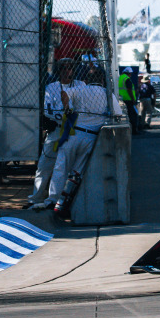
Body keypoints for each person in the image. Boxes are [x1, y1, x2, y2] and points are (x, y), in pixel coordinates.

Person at [50, 68, 114, 216]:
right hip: (91, 136)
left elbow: (64, 93)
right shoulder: (106, 93)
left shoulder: (80, 89)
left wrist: (67, 108)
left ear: (87, 79)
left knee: (61, 166)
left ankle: (52, 201)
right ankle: (65, 203)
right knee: (77, 172)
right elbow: (117, 113)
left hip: (74, 133)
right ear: (103, 80)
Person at [26, 58, 85, 210]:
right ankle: (35, 198)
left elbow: (79, 108)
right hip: (57, 129)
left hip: (73, 129)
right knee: (44, 165)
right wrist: (64, 112)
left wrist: (66, 111)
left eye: (69, 68)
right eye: (63, 68)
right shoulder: (51, 87)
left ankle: (62, 199)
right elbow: (49, 110)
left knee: (67, 166)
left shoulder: (80, 85)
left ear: (73, 70)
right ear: (59, 71)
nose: (67, 71)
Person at [119, 67, 141, 134]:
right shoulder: (127, 79)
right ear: (129, 73)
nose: (131, 75)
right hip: (129, 100)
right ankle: (134, 130)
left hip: (122, 99)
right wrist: (133, 99)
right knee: (133, 115)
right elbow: (129, 90)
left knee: (126, 115)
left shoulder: (120, 78)